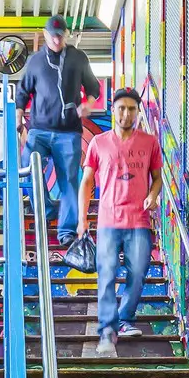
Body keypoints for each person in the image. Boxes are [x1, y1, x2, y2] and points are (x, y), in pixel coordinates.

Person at [75, 86, 163, 360]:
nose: (126, 113)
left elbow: (158, 177)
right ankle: (105, 331)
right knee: (107, 275)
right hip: (108, 221)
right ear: (113, 110)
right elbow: (87, 182)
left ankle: (125, 319)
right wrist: (82, 220)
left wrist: (152, 194)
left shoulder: (149, 142)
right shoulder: (98, 143)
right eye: (121, 108)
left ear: (138, 112)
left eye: (132, 109)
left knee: (137, 272)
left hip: (139, 220)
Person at [16, 15, 100, 249]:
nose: (56, 39)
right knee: (27, 169)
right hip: (39, 130)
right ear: (44, 35)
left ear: (66, 35)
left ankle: (66, 231)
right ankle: (46, 209)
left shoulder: (77, 58)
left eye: (60, 35)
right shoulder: (35, 61)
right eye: (52, 35)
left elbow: (93, 86)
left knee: (69, 182)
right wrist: (18, 115)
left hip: (68, 132)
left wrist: (89, 104)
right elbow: (22, 91)